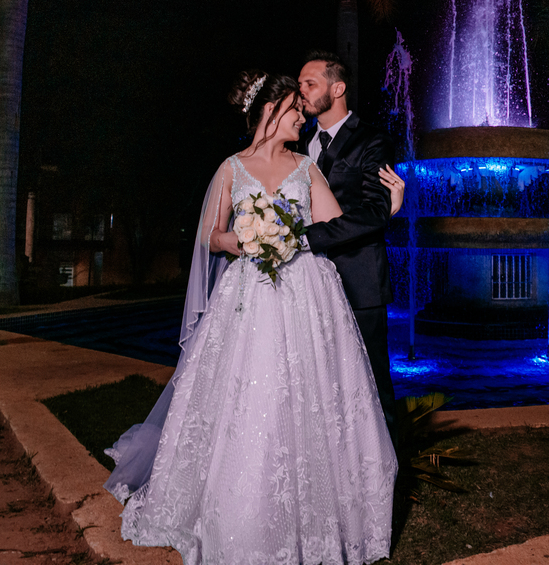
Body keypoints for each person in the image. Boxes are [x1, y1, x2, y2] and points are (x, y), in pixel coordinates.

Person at [104, 71, 404, 565]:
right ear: (269, 111)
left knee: (309, 398)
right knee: (249, 397)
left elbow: (335, 227)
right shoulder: (231, 169)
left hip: (307, 294)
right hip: (249, 296)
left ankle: (317, 519)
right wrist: (243, 240)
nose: (302, 117)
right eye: (294, 110)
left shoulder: (306, 167)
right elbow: (210, 236)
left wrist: (387, 210)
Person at [296, 51, 402, 449]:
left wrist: (306, 237)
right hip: (306, 281)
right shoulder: (300, 143)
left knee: (373, 386)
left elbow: (375, 212)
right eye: (300, 84)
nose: (301, 92)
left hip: (359, 282)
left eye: (310, 84)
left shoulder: (373, 140)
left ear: (337, 88)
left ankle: (389, 474)